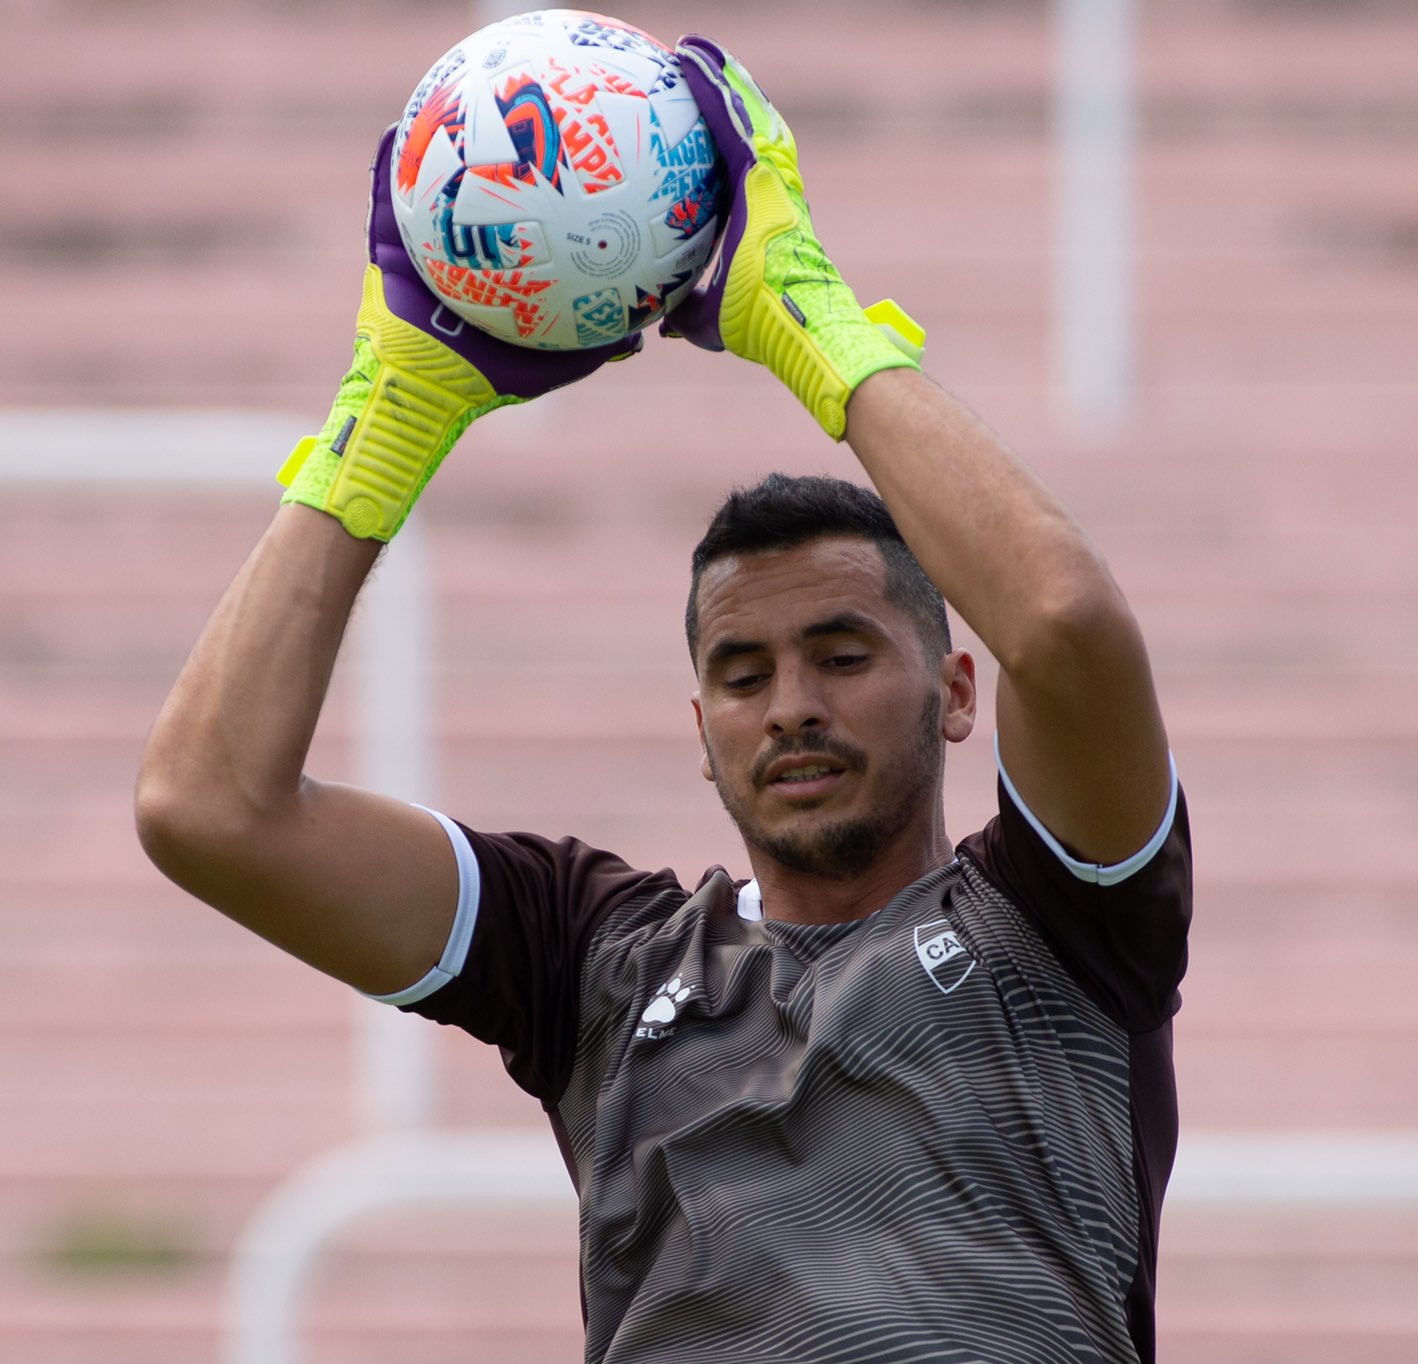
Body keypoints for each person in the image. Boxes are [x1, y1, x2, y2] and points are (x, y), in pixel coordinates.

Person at [135, 36, 1189, 1364]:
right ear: (701, 734)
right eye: (742, 677)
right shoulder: (593, 961)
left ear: (959, 689)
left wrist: (811, 327)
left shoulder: (1068, 922)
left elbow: (1069, 625)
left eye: (844, 654)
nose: (790, 704)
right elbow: (206, 809)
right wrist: (388, 419)